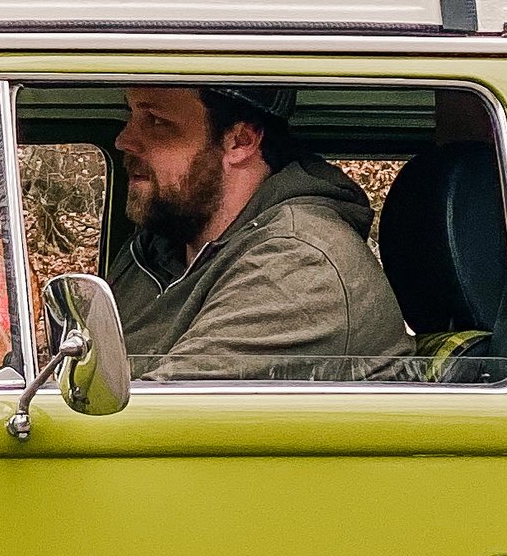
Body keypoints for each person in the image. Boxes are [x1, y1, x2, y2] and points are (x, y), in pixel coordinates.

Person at [106, 83, 414, 381]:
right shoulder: (152, 252)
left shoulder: (300, 264)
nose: (123, 140)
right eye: (131, 116)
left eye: (157, 121)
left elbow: (153, 421)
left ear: (239, 141)